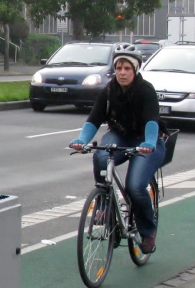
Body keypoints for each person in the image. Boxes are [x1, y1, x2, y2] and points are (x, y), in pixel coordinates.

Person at [70, 43, 166, 255]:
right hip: (121, 136)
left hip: (148, 142)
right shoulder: (109, 91)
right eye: (119, 68)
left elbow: (152, 121)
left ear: (136, 69)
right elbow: (94, 119)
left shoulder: (145, 90)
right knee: (101, 155)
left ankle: (148, 231)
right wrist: (82, 139)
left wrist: (149, 143)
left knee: (135, 186)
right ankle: (105, 206)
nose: (122, 73)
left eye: (127, 68)